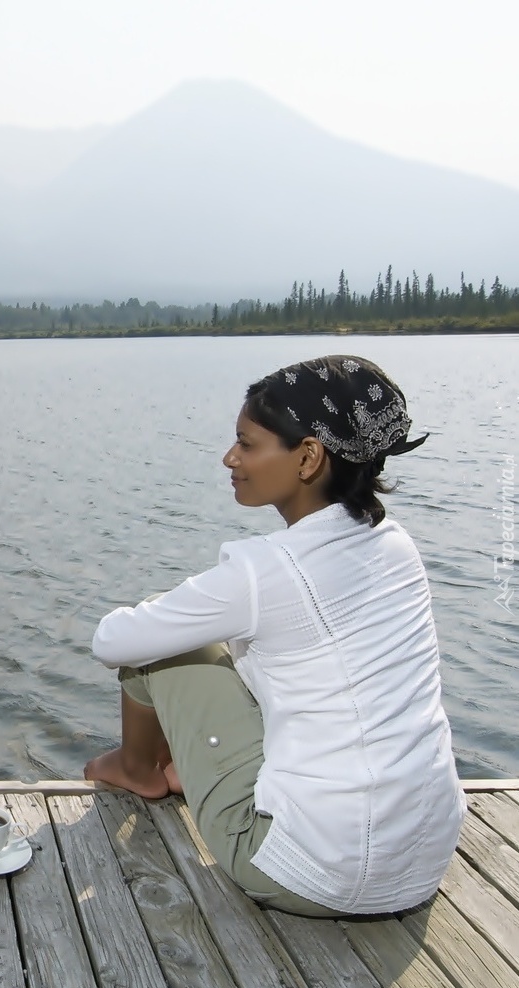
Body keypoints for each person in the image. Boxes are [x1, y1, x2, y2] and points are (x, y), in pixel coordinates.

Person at [85, 355, 466, 916]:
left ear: (308, 457)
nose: (230, 458)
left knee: (158, 654)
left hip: (307, 874)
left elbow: (112, 640)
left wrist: (176, 608)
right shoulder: (396, 545)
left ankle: (137, 769)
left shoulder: (264, 570)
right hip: (422, 862)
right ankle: (188, 767)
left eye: (247, 443)